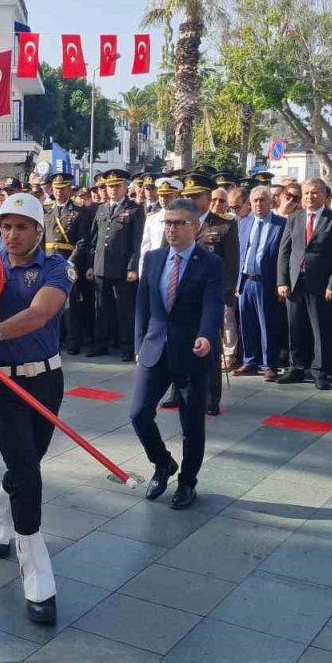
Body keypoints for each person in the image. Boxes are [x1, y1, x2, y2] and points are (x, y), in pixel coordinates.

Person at [0, 192, 74, 625]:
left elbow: (41, 313)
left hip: (46, 380)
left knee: (28, 463)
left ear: (39, 230)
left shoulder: (56, 268)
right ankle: (37, 572)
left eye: (22, 226)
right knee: (26, 470)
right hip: (3, 384)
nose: (12, 234)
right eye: (5, 226)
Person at [129, 198, 224, 510]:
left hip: (192, 353)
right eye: (167, 222)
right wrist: (139, 345)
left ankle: (187, 482)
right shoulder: (153, 258)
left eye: (178, 223)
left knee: (191, 424)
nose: (171, 229)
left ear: (194, 227)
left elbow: (213, 305)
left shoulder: (210, 263)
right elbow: (142, 306)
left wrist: (206, 335)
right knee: (139, 413)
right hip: (154, 349)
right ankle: (162, 462)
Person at [277, 178, 332, 389]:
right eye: (307, 193)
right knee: (295, 327)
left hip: (321, 284)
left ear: (325, 195)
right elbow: (285, 251)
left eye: (315, 192)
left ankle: (320, 371)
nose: (310, 196)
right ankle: (297, 367)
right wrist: (282, 280)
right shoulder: (295, 218)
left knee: (320, 330)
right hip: (295, 282)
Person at [88, 170, 145, 360]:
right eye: (110, 186)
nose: (112, 189)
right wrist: (91, 265)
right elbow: (94, 240)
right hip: (101, 266)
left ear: (125, 187)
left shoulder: (134, 209)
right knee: (100, 309)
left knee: (124, 310)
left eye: (116, 186)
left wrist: (132, 267)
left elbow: (136, 242)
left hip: (122, 268)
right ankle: (100, 344)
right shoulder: (101, 208)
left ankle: (127, 347)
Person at [195, 178, 240, 409]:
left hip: (211, 297)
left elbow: (231, 265)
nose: (192, 200)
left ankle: (212, 398)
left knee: (211, 347)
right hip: (184, 295)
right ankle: (178, 392)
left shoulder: (224, 226)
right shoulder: (181, 220)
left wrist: (226, 296)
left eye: (197, 196)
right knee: (181, 344)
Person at [235, 185, 285, 381]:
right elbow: (239, 253)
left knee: (267, 324)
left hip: (267, 281)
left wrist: (282, 283)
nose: (258, 204)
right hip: (245, 280)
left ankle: (269, 364)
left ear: (271, 201)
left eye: (262, 200)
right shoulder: (243, 223)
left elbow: (284, 257)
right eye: (255, 200)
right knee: (246, 323)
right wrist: (236, 282)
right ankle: (249, 360)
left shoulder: (282, 224)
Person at [43, 172, 95, 355]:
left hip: (68, 261)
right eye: (56, 188)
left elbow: (83, 240)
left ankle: (73, 342)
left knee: (70, 303)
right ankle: (54, 340)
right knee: (48, 303)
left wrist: (72, 261)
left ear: (69, 190)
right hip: (49, 260)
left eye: (63, 188)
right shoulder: (46, 209)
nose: (59, 192)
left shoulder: (80, 211)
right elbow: (41, 237)